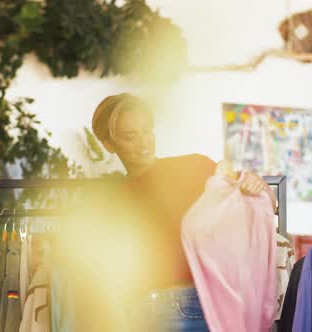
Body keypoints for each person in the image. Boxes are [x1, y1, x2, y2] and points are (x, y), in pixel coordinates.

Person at [91, 93, 276, 331]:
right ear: (109, 144)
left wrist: (255, 182)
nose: (143, 142)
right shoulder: (113, 202)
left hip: (192, 305)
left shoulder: (193, 167)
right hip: (141, 313)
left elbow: (266, 203)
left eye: (147, 130)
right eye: (130, 136)